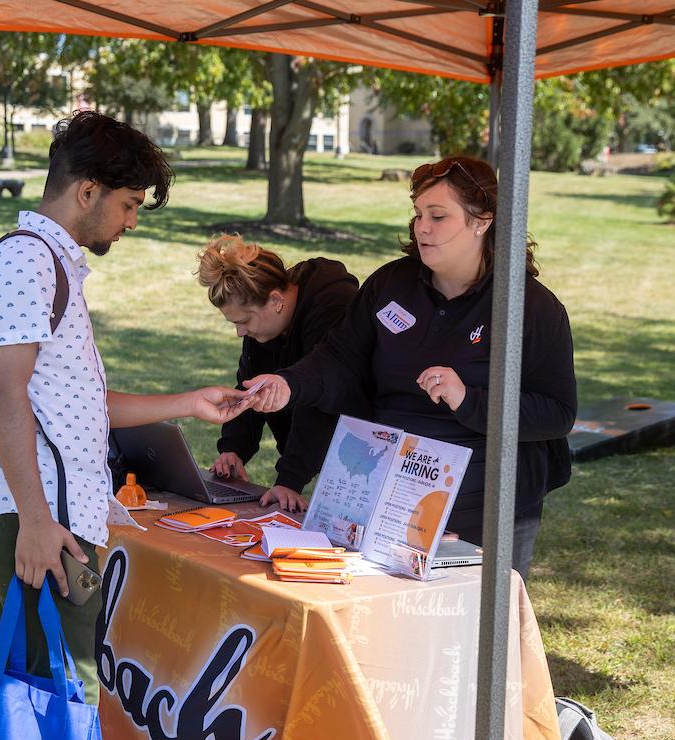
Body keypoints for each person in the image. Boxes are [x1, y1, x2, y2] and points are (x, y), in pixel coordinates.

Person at [0, 111, 251, 706]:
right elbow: (6, 395)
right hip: (38, 514)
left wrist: (190, 404)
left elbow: (77, 405)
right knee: (60, 695)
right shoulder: (27, 262)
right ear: (86, 191)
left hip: (48, 511)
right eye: (128, 204)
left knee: (52, 690)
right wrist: (39, 524)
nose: (131, 222)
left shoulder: (51, 262)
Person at [246, 156, 576, 580]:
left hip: (486, 509)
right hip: (388, 497)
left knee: (466, 634)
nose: (422, 227)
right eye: (419, 214)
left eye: (438, 216)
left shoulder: (531, 307)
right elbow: (339, 359)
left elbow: (557, 412)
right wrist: (288, 384)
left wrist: (468, 400)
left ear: (482, 222)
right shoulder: (390, 285)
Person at [196, 233, 360, 512]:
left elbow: (320, 397)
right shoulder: (264, 321)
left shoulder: (331, 305)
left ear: (275, 300)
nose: (240, 332)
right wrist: (233, 448)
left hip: (363, 441)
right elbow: (249, 388)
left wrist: (289, 480)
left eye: (244, 321)